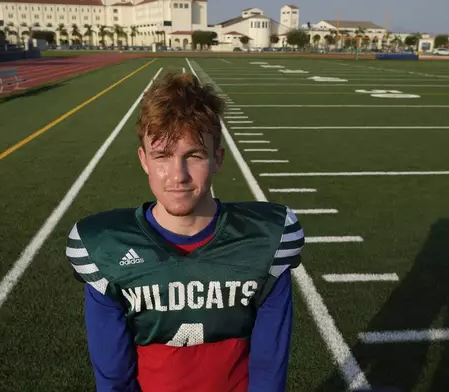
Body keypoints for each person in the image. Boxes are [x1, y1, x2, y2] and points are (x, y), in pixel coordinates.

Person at [66, 72, 305, 392]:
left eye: (192, 155)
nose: (177, 175)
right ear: (144, 160)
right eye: (162, 156)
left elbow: (268, 367)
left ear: (217, 158)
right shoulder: (106, 248)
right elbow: (114, 378)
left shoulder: (265, 240)